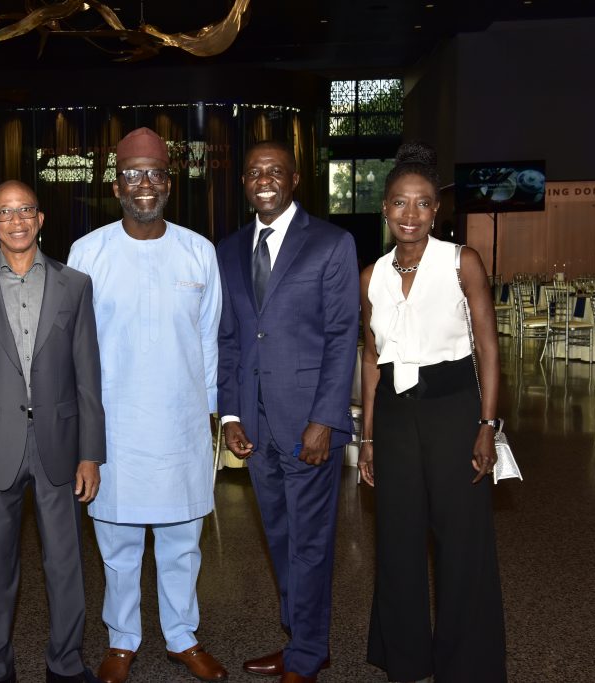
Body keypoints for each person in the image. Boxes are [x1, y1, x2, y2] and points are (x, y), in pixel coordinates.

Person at [67, 127, 227, 683]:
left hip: (181, 425)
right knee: (118, 544)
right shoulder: (88, 253)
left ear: (170, 182)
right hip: (115, 427)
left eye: (155, 173)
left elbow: (209, 340)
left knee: (183, 544)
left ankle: (182, 636)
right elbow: (76, 349)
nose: (144, 184)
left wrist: (210, 414)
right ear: (116, 185)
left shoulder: (198, 251)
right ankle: (121, 640)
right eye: (132, 174)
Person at [0, 180, 106, 683]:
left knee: (66, 563)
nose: (16, 220)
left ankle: (66, 663)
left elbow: (87, 375)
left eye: (25, 210)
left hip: (61, 446)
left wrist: (91, 453)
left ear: (40, 219)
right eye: (4, 213)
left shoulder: (74, 285)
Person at [358, 142, 507, 683]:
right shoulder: (370, 276)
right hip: (395, 418)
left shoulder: (462, 261)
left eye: (422, 203)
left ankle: (466, 663)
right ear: (385, 207)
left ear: (436, 210)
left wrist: (487, 425)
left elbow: (488, 347)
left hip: (453, 410)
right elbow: (371, 358)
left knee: (461, 540)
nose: (411, 214)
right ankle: (406, 658)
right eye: (400, 202)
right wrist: (367, 438)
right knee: (397, 539)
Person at [216, 140, 359, 683]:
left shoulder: (331, 243)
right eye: (255, 172)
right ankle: (300, 639)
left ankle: (306, 655)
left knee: (311, 542)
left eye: (275, 171)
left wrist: (325, 419)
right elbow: (230, 338)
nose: (265, 179)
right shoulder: (229, 249)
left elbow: (343, 336)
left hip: (308, 425)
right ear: (244, 183)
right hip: (254, 426)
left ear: (295, 179)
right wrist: (231, 415)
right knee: (279, 536)